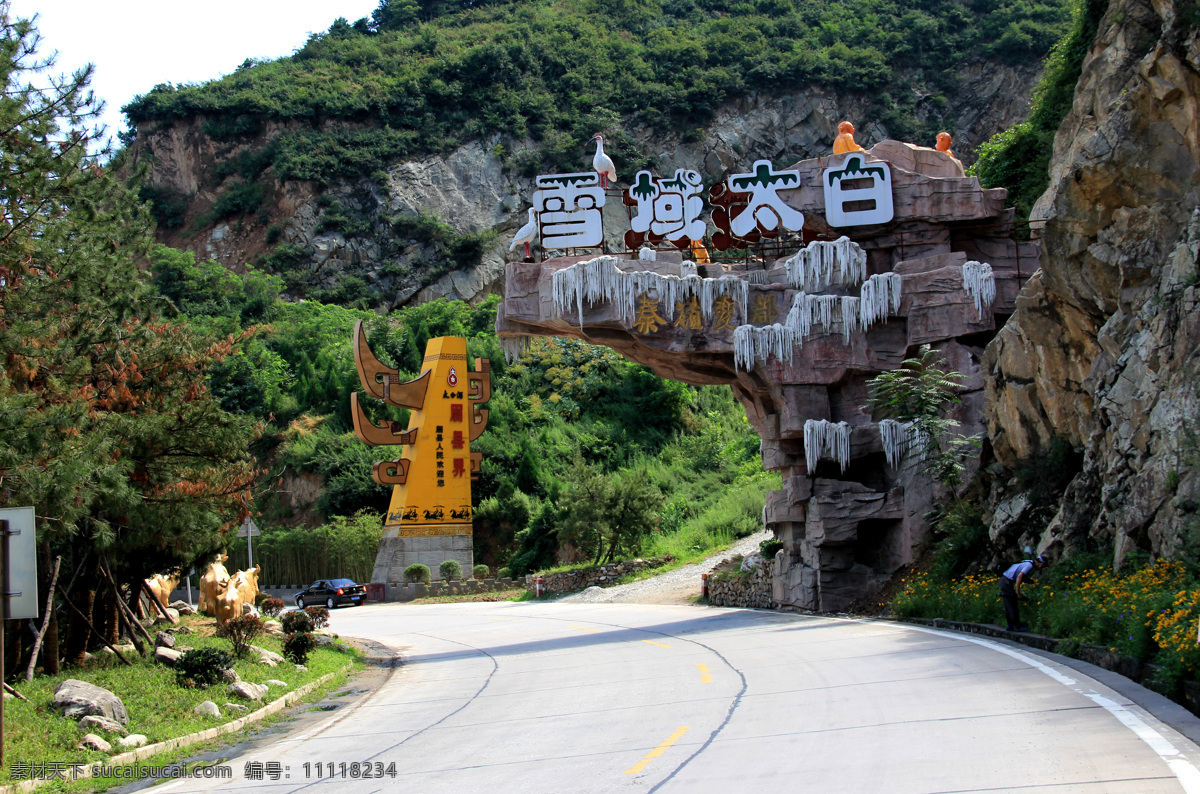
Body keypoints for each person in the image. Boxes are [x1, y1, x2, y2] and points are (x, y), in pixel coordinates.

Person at [999, 555, 1047, 631]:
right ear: (1039, 562)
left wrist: (1030, 581)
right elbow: (1019, 577)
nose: (1042, 567)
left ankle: (1010, 625)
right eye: (1043, 565)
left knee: (1008, 603)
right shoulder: (1029, 566)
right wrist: (1018, 593)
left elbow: (1020, 576)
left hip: (1004, 580)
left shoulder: (1028, 562)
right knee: (1012, 604)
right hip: (1007, 581)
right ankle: (1017, 626)